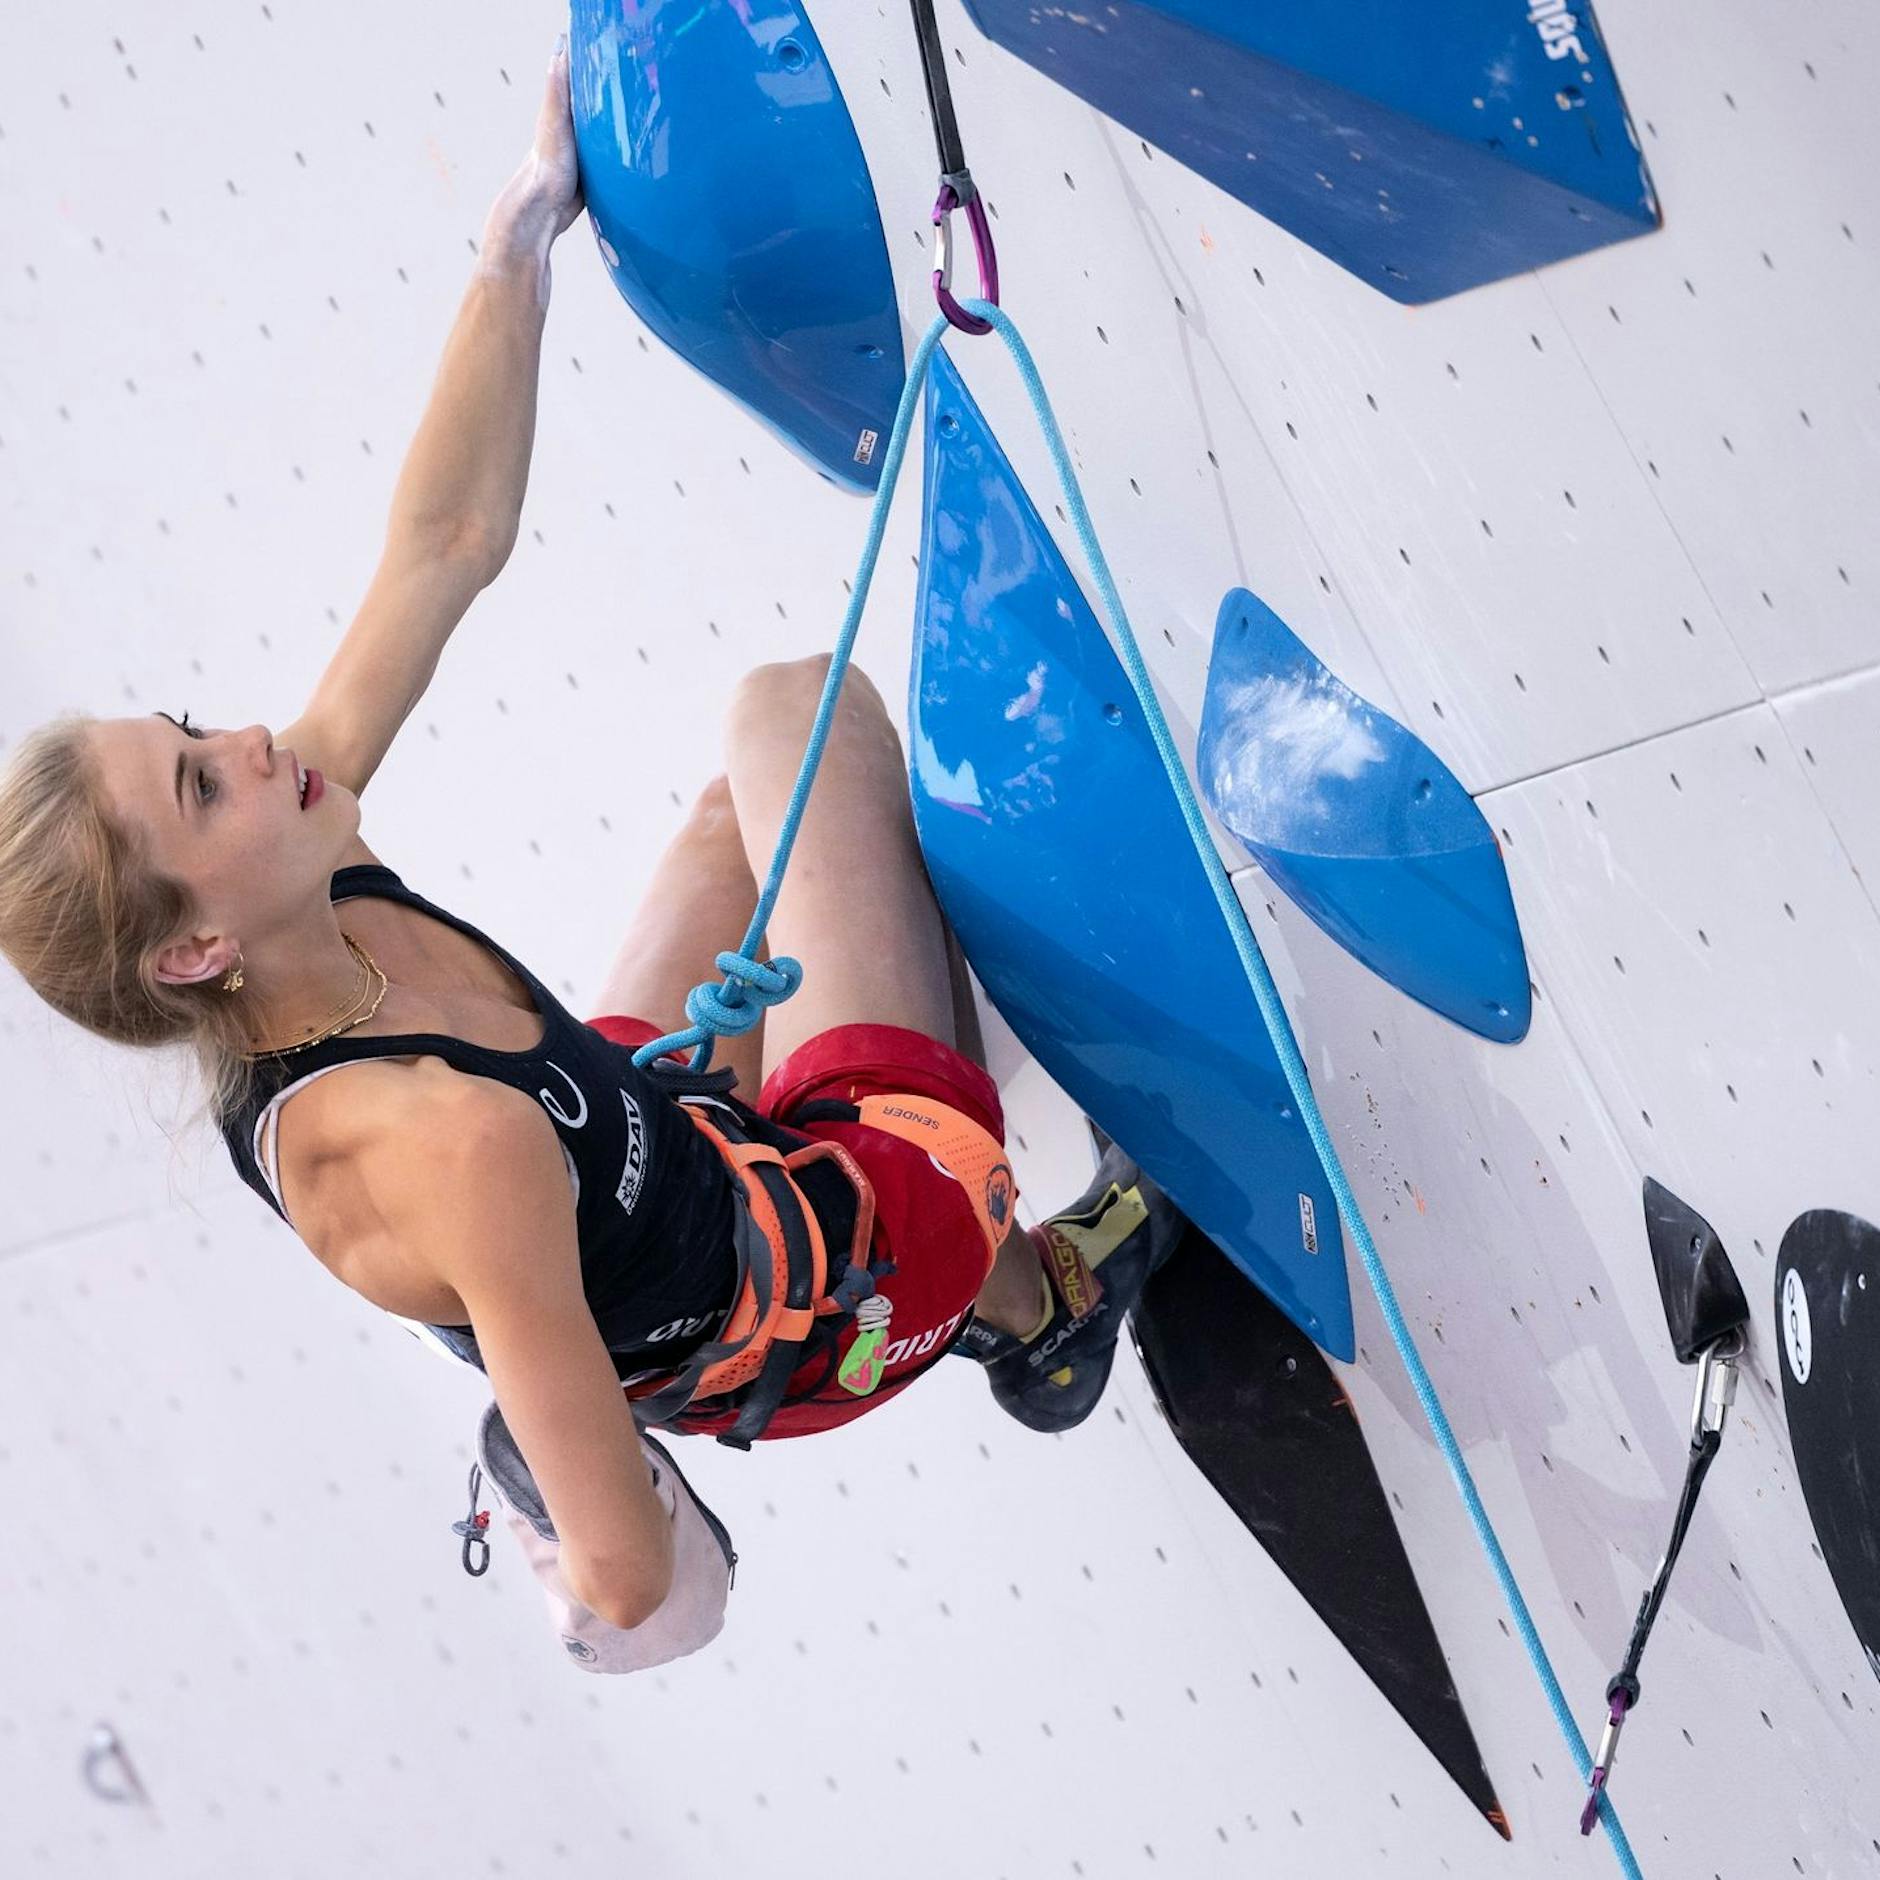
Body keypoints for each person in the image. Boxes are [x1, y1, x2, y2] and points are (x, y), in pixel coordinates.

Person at [0, 42, 1178, 1634]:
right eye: (200, 784)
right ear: (195, 944)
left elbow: (444, 546)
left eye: (195, 727)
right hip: (826, 1267)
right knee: (793, 721)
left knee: (729, 820)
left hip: (642, 1142)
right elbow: (629, 1584)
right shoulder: (445, 1146)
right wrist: (570, 1489)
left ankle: (889, 1213)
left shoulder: (296, 886)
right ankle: (1036, 1301)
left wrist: (516, 242)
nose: (252, 743)